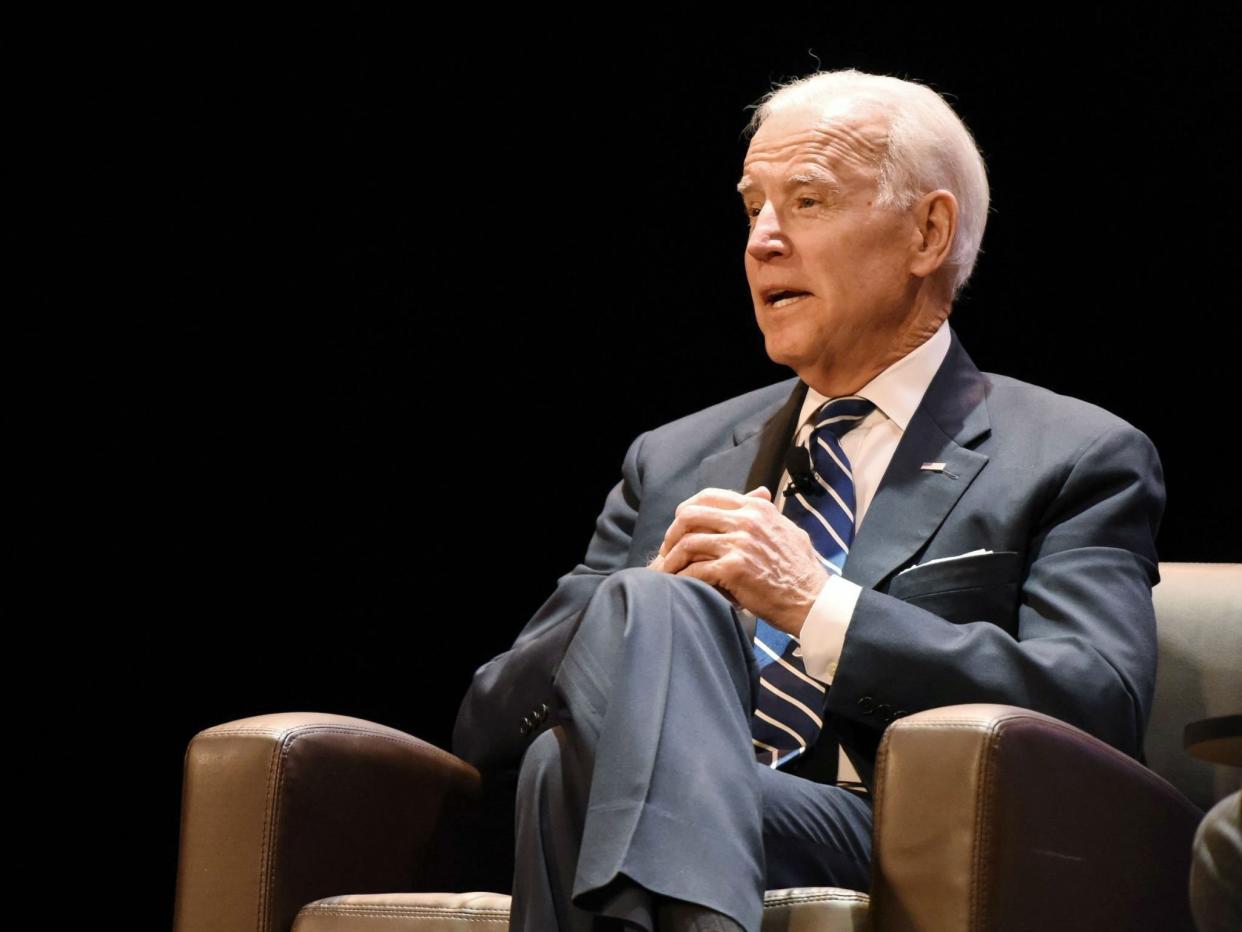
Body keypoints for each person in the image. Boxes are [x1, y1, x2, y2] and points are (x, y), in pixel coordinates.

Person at [452, 69, 1166, 932]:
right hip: (715, 811)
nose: (762, 240)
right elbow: (487, 728)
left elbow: (1094, 709)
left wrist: (813, 603)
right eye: (752, 206)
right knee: (587, 708)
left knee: (569, 778)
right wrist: (637, 615)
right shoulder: (673, 459)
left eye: (808, 201)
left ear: (928, 233)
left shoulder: (1074, 454)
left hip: (880, 827)